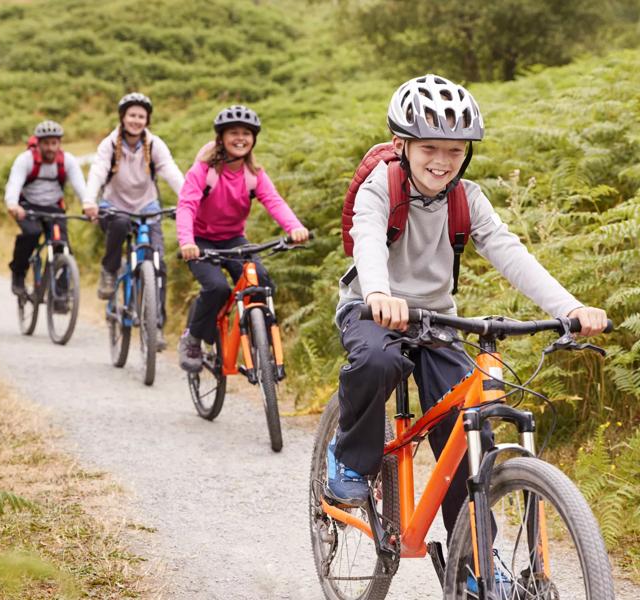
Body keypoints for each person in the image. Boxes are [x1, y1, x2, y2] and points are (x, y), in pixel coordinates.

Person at [329, 74, 608, 591]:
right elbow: (366, 239)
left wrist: (570, 307)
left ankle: (476, 565)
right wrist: (378, 293)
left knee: (465, 428)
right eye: (429, 148)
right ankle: (347, 455)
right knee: (379, 362)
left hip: (437, 322)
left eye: (454, 151)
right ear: (402, 146)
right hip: (373, 310)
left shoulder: (467, 199)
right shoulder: (381, 187)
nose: (442, 160)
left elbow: (510, 254)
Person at [176, 105, 310, 372]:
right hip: (200, 241)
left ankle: (263, 344)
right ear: (221, 138)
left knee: (261, 280)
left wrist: (295, 228)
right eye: (233, 133)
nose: (240, 138)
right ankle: (192, 338)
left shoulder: (253, 174)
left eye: (246, 133)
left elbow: (274, 202)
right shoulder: (204, 171)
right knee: (217, 288)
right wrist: (187, 242)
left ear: (253, 139)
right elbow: (186, 206)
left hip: (234, 238)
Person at [84, 92, 184, 350]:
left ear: (147, 120)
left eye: (141, 116)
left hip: (147, 206)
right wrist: (89, 200)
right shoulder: (110, 144)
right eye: (132, 115)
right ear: (123, 117)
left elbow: (170, 171)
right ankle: (109, 270)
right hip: (114, 205)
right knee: (117, 225)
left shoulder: (154, 145)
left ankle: (156, 327)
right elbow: (97, 171)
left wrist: (187, 199)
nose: (136, 120)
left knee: (158, 264)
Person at [4, 120, 94, 301]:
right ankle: (19, 274)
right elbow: (14, 184)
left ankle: (60, 295)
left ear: (59, 143)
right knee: (32, 233)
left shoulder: (67, 161)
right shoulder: (25, 160)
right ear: (37, 143)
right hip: (28, 207)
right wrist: (13, 204)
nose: (50, 148)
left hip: (54, 208)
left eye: (54, 143)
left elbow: (80, 186)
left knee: (62, 246)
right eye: (46, 143)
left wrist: (88, 204)